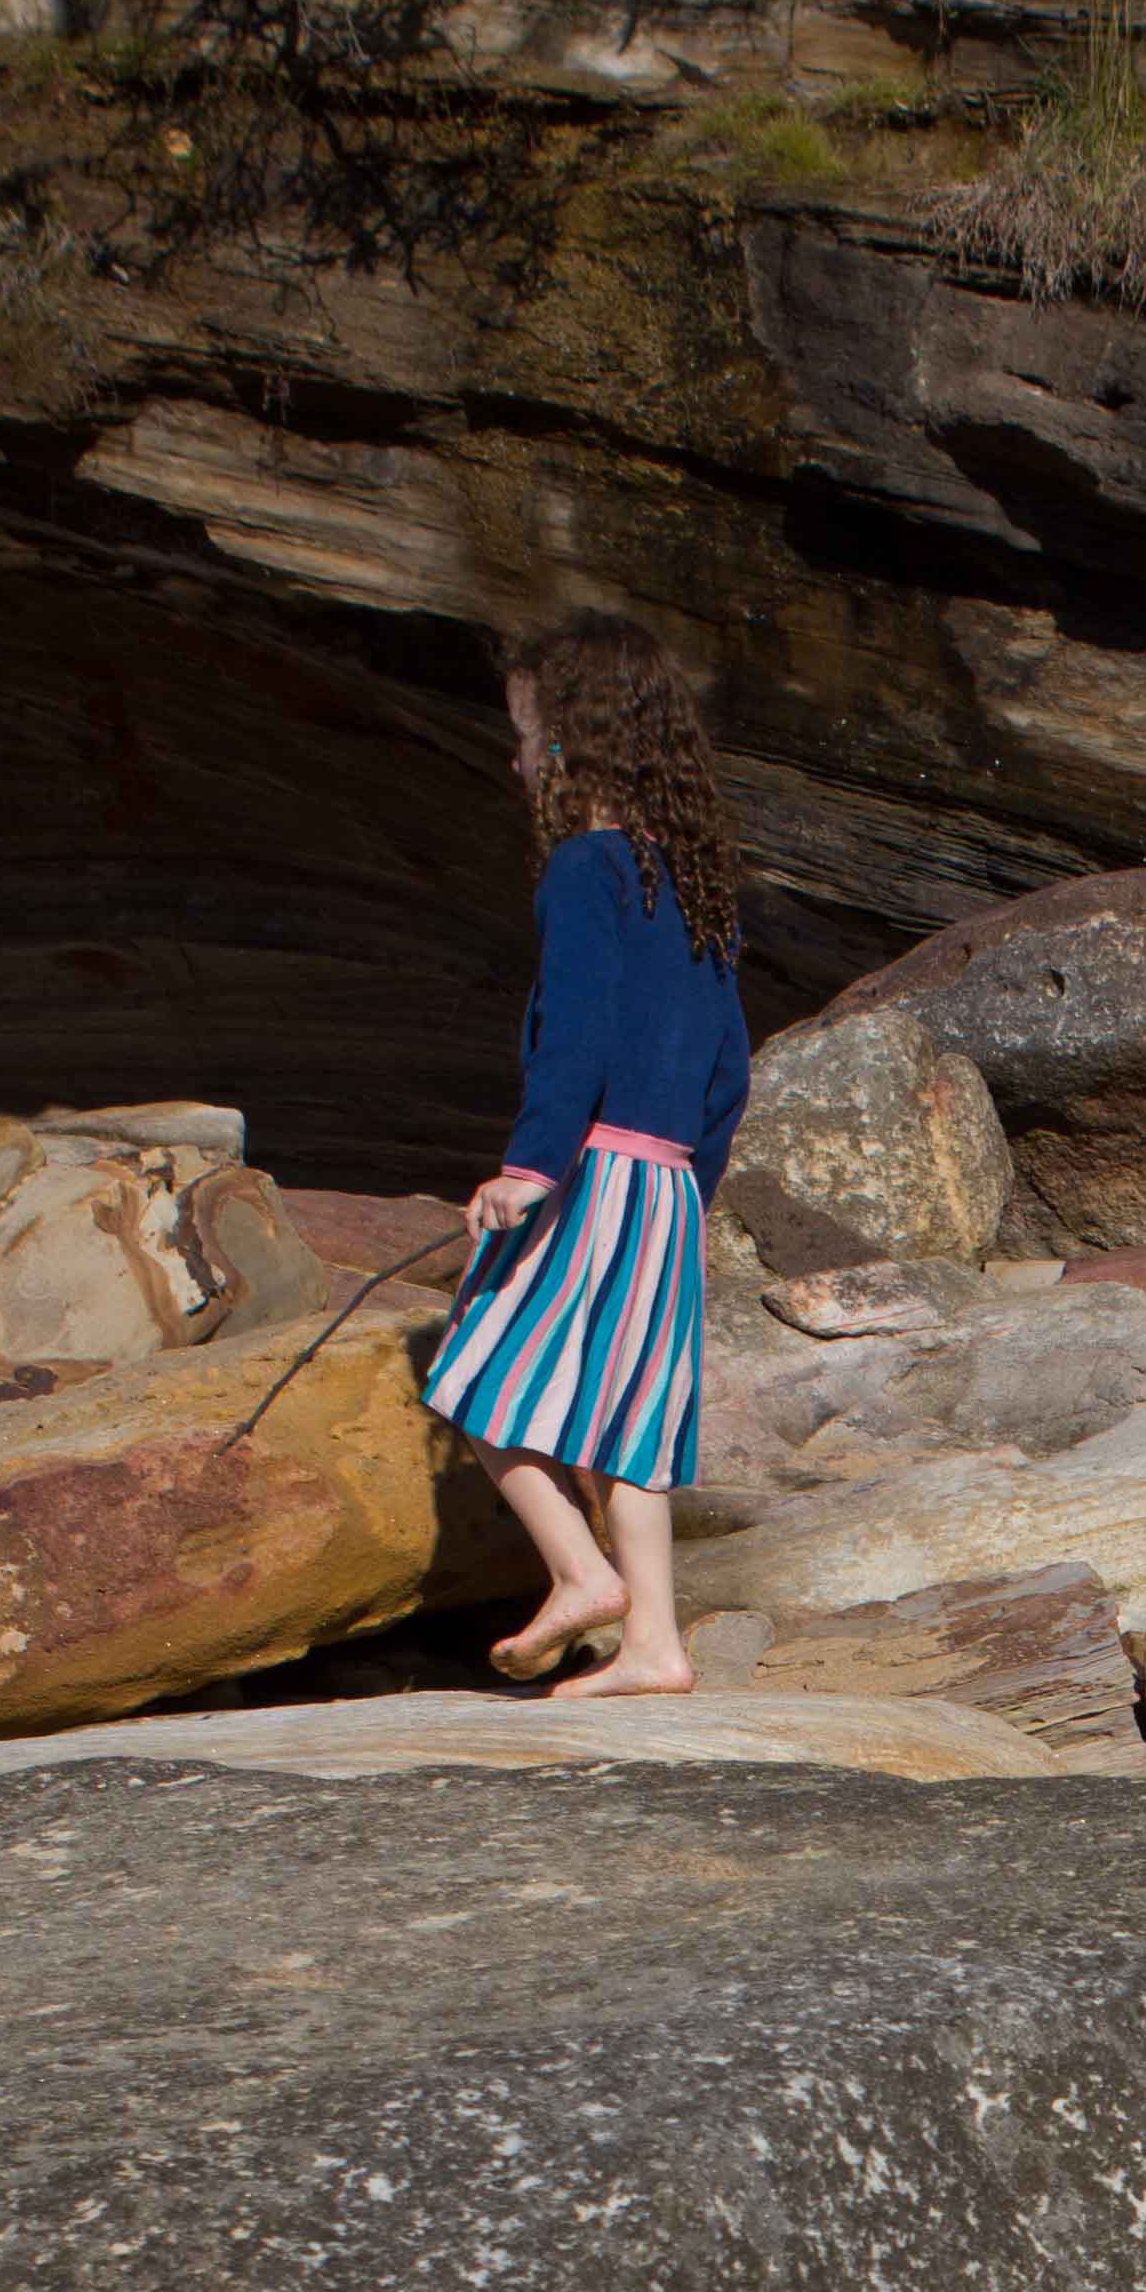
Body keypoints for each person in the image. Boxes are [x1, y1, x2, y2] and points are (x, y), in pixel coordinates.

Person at [423, 610, 750, 1700]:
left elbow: (577, 1031)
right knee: (632, 1420)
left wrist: (531, 1167)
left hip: (594, 1169)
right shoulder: (694, 888)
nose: (518, 761)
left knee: (473, 1370)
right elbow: (730, 1071)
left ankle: (578, 1571)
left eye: (528, 736)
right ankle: (656, 1644)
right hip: (669, 1189)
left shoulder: (584, 869)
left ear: (572, 743)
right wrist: (685, 1193)